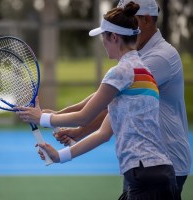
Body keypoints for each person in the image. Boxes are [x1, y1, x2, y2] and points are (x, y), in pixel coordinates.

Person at [16, 2, 179, 199]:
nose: (103, 43)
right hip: (162, 174)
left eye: (104, 37)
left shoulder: (120, 71)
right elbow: (103, 133)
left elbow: (85, 117)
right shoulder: (144, 73)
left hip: (142, 176)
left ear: (114, 37)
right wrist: (60, 156)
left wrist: (42, 118)